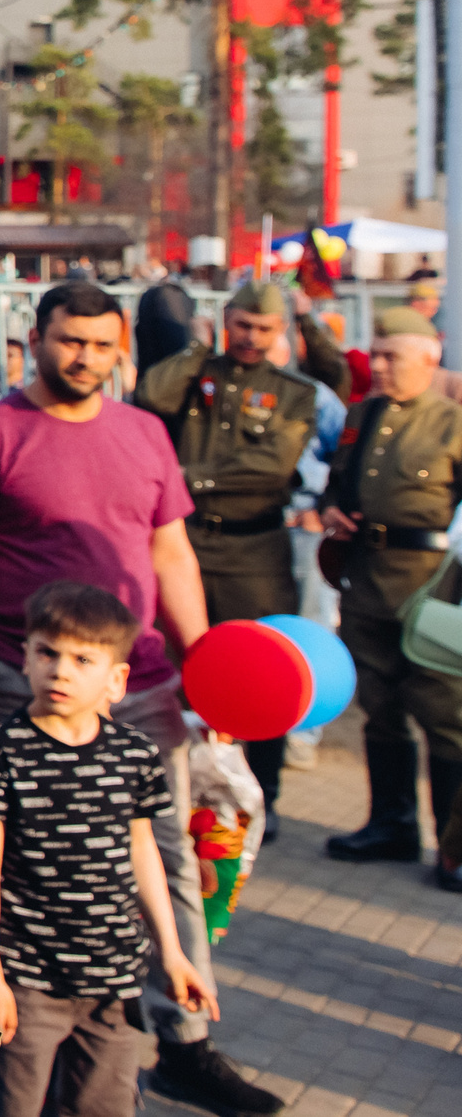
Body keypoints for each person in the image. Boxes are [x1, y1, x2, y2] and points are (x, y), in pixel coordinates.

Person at [0, 280, 275, 1112]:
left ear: (123, 345)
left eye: (99, 343)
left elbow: (173, 559)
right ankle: (20, 1031)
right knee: (28, 863)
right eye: (68, 341)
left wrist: (205, 667)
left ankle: (183, 1041)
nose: (83, 357)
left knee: (168, 857)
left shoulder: (145, 432)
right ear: (35, 338)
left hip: (146, 685)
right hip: (28, 684)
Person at [0, 580, 217, 1117]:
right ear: (24, 658)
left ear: (117, 679)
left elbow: (144, 853)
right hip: (26, 980)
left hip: (115, 981)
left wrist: (171, 952)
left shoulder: (136, 755)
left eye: (82, 658)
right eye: (47, 653)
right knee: (11, 1107)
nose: (62, 670)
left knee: (102, 1108)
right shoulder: (0, 755)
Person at [133, 280, 334, 832]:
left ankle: (260, 797)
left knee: (260, 674)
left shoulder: (294, 392)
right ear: (227, 319)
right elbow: (150, 398)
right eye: (242, 325)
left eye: (264, 329)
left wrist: (185, 479)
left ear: (281, 332)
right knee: (179, 666)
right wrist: (197, 348)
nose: (250, 338)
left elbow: (268, 466)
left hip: (256, 550)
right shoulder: (198, 373)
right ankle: (177, 792)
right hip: (190, 543)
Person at [318, 307, 462, 890]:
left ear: (430, 358)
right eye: (374, 354)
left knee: (447, 718)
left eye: (390, 357)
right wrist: (331, 510)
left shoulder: (452, 423)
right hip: (366, 581)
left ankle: (453, 845)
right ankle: (391, 823)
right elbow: (338, 480)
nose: (376, 367)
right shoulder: (360, 416)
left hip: (429, 587)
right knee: (379, 709)